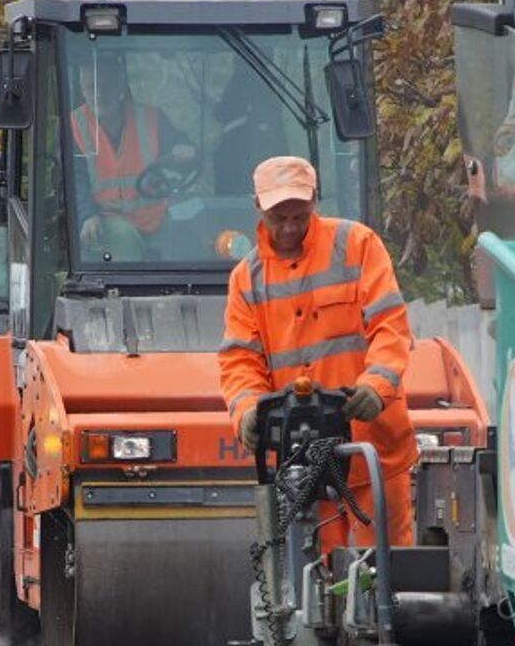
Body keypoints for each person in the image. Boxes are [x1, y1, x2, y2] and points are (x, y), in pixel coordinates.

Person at [218, 155, 417, 547]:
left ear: (314, 202)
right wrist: (246, 412)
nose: (290, 227)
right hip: (303, 463)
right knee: (316, 579)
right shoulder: (247, 279)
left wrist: (376, 386)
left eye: (299, 216)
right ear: (258, 207)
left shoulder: (357, 246)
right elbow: (240, 360)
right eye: (280, 218)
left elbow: (390, 327)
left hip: (372, 449)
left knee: (384, 579)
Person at [70, 53, 197, 260]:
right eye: (91, 87)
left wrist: (185, 150)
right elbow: (74, 179)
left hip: (153, 216)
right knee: (125, 239)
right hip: (104, 218)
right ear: (82, 90)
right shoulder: (74, 126)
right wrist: (87, 215)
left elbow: (180, 145)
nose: (99, 94)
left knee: (189, 236)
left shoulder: (150, 118)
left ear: (121, 86)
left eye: (106, 86)